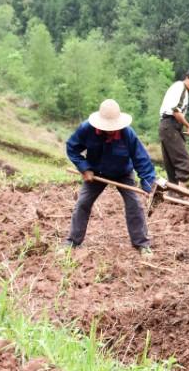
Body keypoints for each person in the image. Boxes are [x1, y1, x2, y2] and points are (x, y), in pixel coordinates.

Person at [64, 99, 162, 255]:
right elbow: (72, 148)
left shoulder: (127, 133)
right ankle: (72, 242)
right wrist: (84, 168)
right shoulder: (86, 129)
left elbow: (141, 159)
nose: (110, 130)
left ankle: (141, 243)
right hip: (96, 173)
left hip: (123, 172)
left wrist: (149, 184)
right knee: (82, 203)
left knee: (135, 205)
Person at [158, 69, 189, 186]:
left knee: (171, 161)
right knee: (183, 160)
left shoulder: (184, 91)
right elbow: (175, 111)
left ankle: (173, 191)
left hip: (168, 126)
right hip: (170, 124)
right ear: (188, 78)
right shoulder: (180, 87)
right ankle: (182, 191)